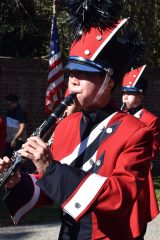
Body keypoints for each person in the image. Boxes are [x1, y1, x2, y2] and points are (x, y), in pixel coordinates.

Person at [0, 2, 156, 240]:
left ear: (109, 81)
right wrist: (16, 181)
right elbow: (48, 188)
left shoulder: (135, 132)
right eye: (71, 73)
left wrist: (51, 169)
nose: (73, 80)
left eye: (85, 74)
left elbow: (120, 196)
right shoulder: (66, 125)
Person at [121, 65, 160, 239]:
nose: (124, 97)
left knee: (136, 223)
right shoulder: (118, 116)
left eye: (129, 93)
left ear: (140, 96)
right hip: (117, 174)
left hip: (138, 175)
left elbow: (153, 149)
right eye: (124, 93)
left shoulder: (150, 120)